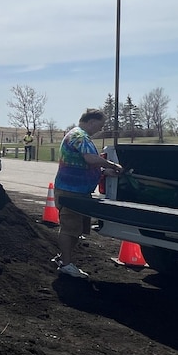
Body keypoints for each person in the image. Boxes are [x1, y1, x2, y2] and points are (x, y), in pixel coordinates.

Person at [52, 109, 123, 279]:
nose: (100, 129)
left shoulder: (81, 137)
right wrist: (112, 164)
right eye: (99, 125)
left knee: (76, 229)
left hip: (79, 192)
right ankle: (66, 265)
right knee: (69, 229)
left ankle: (64, 258)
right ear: (91, 121)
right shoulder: (79, 136)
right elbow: (90, 159)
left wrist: (104, 172)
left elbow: (84, 166)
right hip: (71, 193)